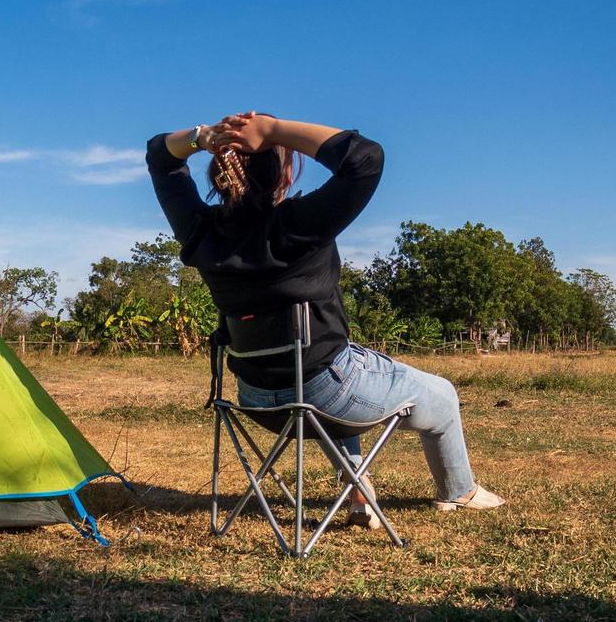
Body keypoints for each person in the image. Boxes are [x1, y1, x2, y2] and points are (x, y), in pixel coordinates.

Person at [145, 111, 504, 528]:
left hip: (257, 397)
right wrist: (274, 130)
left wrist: (201, 136)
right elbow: (365, 159)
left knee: (329, 363)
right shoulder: (298, 223)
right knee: (438, 394)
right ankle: (459, 492)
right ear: (283, 175)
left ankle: (356, 492)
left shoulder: (200, 232)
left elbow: (159, 155)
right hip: (325, 395)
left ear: (218, 172)